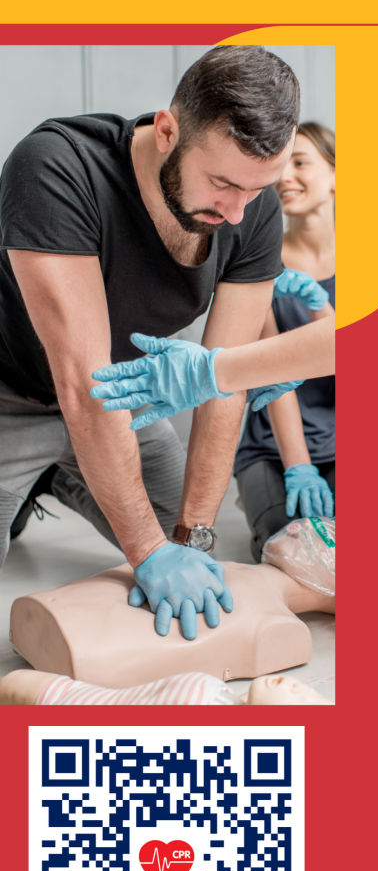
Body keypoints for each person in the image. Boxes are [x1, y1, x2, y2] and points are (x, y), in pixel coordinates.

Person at [0, 45, 328, 640]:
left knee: (197, 567)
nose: (238, 213)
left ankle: (66, 476)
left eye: (257, 190)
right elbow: (82, 385)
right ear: (168, 131)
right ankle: (38, 483)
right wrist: (149, 552)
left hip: (130, 398)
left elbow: (224, 380)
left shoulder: (250, 207)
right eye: (222, 184)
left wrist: (190, 541)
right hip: (14, 397)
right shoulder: (56, 167)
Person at [236, 123, 336, 562]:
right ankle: (259, 495)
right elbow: (272, 375)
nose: (285, 176)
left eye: (301, 162)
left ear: (336, 176)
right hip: (274, 447)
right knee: (293, 550)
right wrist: (298, 466)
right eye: (281, 165)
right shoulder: (261, 260)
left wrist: (320, 309)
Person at [0, 668, 333, 705]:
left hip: (64, 707)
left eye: (302, 702)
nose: (299, 687)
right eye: (312, 690)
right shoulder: (229, 698)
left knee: (14, 686)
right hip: (74, 692)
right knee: (14, 682)